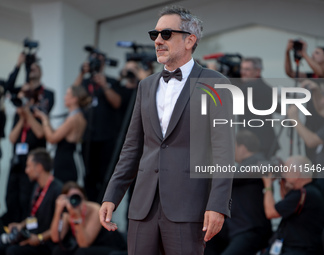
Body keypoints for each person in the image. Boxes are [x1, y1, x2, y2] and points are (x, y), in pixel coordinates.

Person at [99, 5, 235, 255]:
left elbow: (224, 152)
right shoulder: (146, 86)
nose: (158, 41)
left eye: (166, 34)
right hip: (143, 208)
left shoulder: (215, 83)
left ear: (189, 40)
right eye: (155, 35)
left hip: (189, 207)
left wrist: (217, 205)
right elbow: (132, 147)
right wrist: (112, 195)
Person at [1, 53, 54, 226]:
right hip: (17, 163)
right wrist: (22, 116)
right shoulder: (20, 113)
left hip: (33, 163)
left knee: (27, 200)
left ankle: (25, 228)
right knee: (11, 197)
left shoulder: (39, 111)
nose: (23, 97)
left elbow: (40, 133)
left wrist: (28, 113)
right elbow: (12, 138)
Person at [205, 130, 272, 255]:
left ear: (242, 147)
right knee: (205, 244)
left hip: (251, 229)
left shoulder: (258, 161)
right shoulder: (243, 167)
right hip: (235, 228)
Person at [73, 51, 125, 202]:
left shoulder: (111, 81)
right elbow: (73, 95)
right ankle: (90, 211)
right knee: (88, 177)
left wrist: (104, 85)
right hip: (88, 139)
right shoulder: (85, 82)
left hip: (107, 139)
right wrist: (82, 73)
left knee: (105, 178)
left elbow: (117, 103)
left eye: (100, 61)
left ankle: (104, 214)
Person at [287, 79, 324, 223]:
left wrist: (294, 119)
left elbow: (313, 141)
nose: (323, 101)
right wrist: (316, 91)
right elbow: (321, 109)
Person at [0, 148, 62, 255]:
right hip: (32, 236)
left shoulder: (58, 190)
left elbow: (61, 226)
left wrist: (40, 238)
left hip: (46, 243)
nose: (26, 170)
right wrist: (21, 225)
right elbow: (34, 216)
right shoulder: (37, 187)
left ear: (38, 167)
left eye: (28, 166)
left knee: (12, 251)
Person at [284, 40, 324, 161]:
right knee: (310, 157)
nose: (313, 55)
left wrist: (304, 54)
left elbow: (321, 72)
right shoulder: (311, 76)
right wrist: (287, 52)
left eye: (317, 53)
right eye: (312, 53)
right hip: (312, 119)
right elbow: (290, 72)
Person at [262, 156, 324, 255]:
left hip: (299, 250)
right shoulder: (312, 189)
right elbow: (285, 203)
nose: (283, 174)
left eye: (286, 171)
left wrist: (268, 185)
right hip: (295, 247)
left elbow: (271, 212)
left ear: (296, 175)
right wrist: (283, 182)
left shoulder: (302, 194)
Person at [50, 181, 127, 255]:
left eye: (78, 197)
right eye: (71, 198)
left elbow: (84, 244)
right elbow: (55, 238)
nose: (75, 201)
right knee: (58, 250)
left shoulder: (94, 209)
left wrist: (76, 217)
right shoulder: (67, 212)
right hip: (89, 247)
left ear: (84, 197)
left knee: (81, 252)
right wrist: (58, 211)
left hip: (109, 246)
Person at [35, 86, 90, 184]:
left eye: (67, 94)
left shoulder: (73, 119)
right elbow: (56, 134)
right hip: (69, 160)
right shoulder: (79, 116)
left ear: (74, 99)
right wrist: (46, 118)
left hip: (65, 164)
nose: (65, 97)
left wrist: (43, 119)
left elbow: (52, 139)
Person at [239, 57, 279, 158]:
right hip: (267, 143)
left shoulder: (249, 87)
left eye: (247, 69)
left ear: (257, 71)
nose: (243, 72)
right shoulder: (267, 88)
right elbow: (279, 108)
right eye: (242, 69)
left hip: (253, 145)